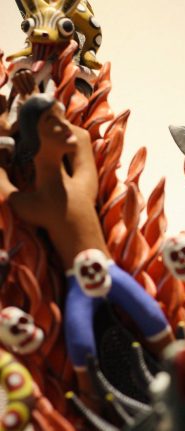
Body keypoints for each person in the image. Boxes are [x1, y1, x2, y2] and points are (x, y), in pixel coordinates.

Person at [0, 94, 173, 398]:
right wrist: (8, 135)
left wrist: (37, 104)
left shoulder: (83, 183)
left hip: (110, 270)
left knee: (152, 315)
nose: (64, 127)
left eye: (62, 118)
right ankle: (92, 405)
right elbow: (4, 187)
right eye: (52, 123)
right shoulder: (37, 204)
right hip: (77, 284)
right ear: (36, 140)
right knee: (80, 344)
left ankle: (181, 369)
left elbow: (79, 136)